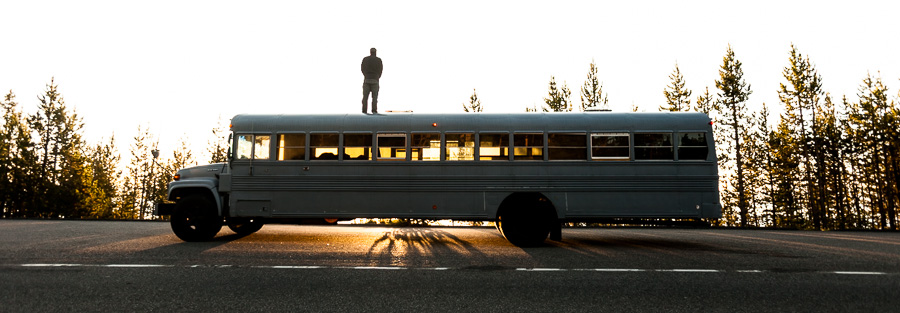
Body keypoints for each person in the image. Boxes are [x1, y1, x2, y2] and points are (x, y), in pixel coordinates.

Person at [361, 47, 383, 114]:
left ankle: (364, 111)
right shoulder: (379, 60)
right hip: (375, 80)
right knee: (375, 97)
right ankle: (374, 110)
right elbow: (380, 70)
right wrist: (377, 77)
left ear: (370, 52)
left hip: (367, 79)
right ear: (375, 52)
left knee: (365, 97)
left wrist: (366, 75)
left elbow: (362, 69)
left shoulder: (365, 59)